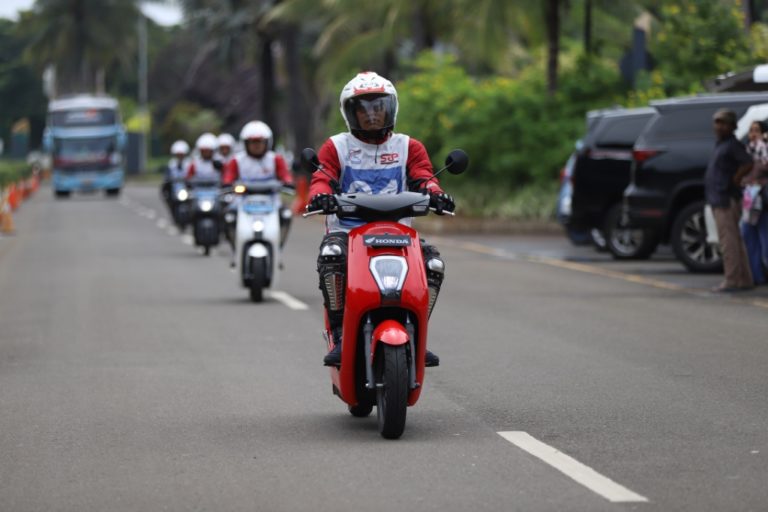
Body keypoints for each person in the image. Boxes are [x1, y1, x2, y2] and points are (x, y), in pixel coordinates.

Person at [307, 71, 454, 367]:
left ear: (391, 109)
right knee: (331, 254)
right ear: (350, 113)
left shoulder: (409, 146)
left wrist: (436, 194)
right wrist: (319, 196)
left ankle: (418, 334)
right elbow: (322, 178)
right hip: (347, 235)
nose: (372, 114)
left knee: (433, 264)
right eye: (363, 109)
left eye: (378, 107)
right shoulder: (336, 147)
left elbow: (424, 177)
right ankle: (340, 333)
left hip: (398, 235)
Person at [222, 121, 294, 248]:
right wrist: (227, 184)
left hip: (271, 200)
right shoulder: (237, 160)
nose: (256, 146)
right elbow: (228, 177)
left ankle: (278, 244)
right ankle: (235, 245)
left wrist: (288, 183)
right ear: (246, 143)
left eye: (259, 142)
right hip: (242, 200)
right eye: (253, 142)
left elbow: (285, 176)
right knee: (229, 216)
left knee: (286, 215)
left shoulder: (276, 159)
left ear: (267, 142)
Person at [705, 109, 754, 292]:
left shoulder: (733, 145)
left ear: (732, 126)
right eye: (717, 122)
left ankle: (732, 279)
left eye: (723, 122)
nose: (719, 126)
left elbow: (747, 163)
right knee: (735, 240)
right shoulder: (721, 144)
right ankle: (744, 279)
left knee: (728, 242)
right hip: (718, 197)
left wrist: (736, 178)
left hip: (726, 198)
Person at [741, 120, 768, 285]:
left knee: (765, 238)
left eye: (756, 130)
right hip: (750, 199)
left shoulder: (763, 149)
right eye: (751, 130)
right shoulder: (747, 150)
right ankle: (756, 275)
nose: (753, 134)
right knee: (748, 236)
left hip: (763, 199)